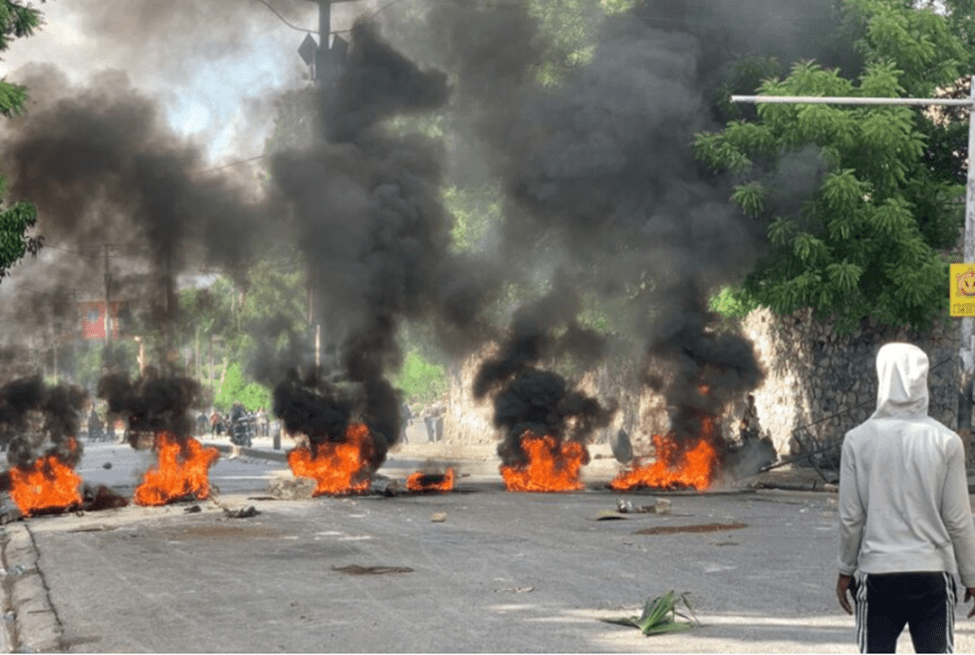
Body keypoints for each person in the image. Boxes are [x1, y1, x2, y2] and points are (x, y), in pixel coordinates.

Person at [837, 342, 975, 653]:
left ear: (881, 377)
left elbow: (851, 517)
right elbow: (958, 519)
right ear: (922, 379)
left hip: (878, 577)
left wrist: (845, 571)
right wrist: (971, 576)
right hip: (932, 575)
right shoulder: (947, 441)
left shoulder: (857, 441)